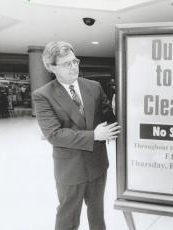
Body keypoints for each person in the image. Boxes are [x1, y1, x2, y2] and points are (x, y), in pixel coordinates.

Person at [32, 41, 120, 230]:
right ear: (51, 67)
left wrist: (118, 109)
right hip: (70, 169)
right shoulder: (43, 95)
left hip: (97, 164)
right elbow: (54, 134)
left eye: (75, 61)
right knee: (68, 219)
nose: (73, 67)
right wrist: (94, 136)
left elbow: (109, 118)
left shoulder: (94, 87)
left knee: (97, 216)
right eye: (66, 64)